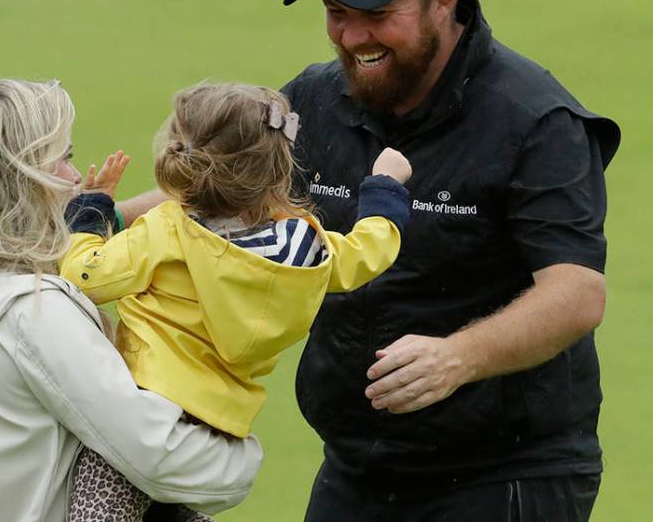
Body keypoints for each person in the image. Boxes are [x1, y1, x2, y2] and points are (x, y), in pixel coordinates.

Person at [280, 0, 621, 521]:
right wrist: (92, 214)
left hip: (506, 470)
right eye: (335, 12)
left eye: (378, 14)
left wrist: (457, 357)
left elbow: (576, 293)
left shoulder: (534, 120)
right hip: (359, 465)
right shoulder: (315, 100)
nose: (353, 38)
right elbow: (217, 191)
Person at [0, 69, 262, 522]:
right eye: (62, 159)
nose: (77, 176)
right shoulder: (35, 315)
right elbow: (160, 459)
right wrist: (242, 453)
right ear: (17, 180)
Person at [58, 82, 412, 521]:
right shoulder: (304, 247)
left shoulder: (166, 230)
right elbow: (367, 253)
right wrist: (383, 188)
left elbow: (84, 276)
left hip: (141, 412)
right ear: (280, 170)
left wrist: (89, 214)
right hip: (214, 427)